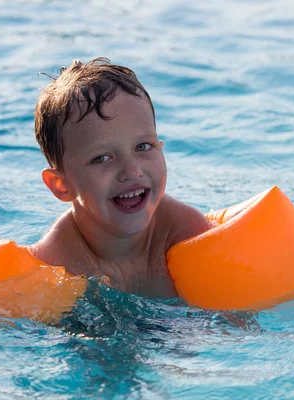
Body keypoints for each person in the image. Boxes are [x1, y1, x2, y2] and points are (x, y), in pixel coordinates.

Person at [28, 58, 212, 299]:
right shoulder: (56, 264)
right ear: (61, 186)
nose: (132, 170)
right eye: (102, 158)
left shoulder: (183, 231)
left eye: (143, 146)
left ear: (161, 147)